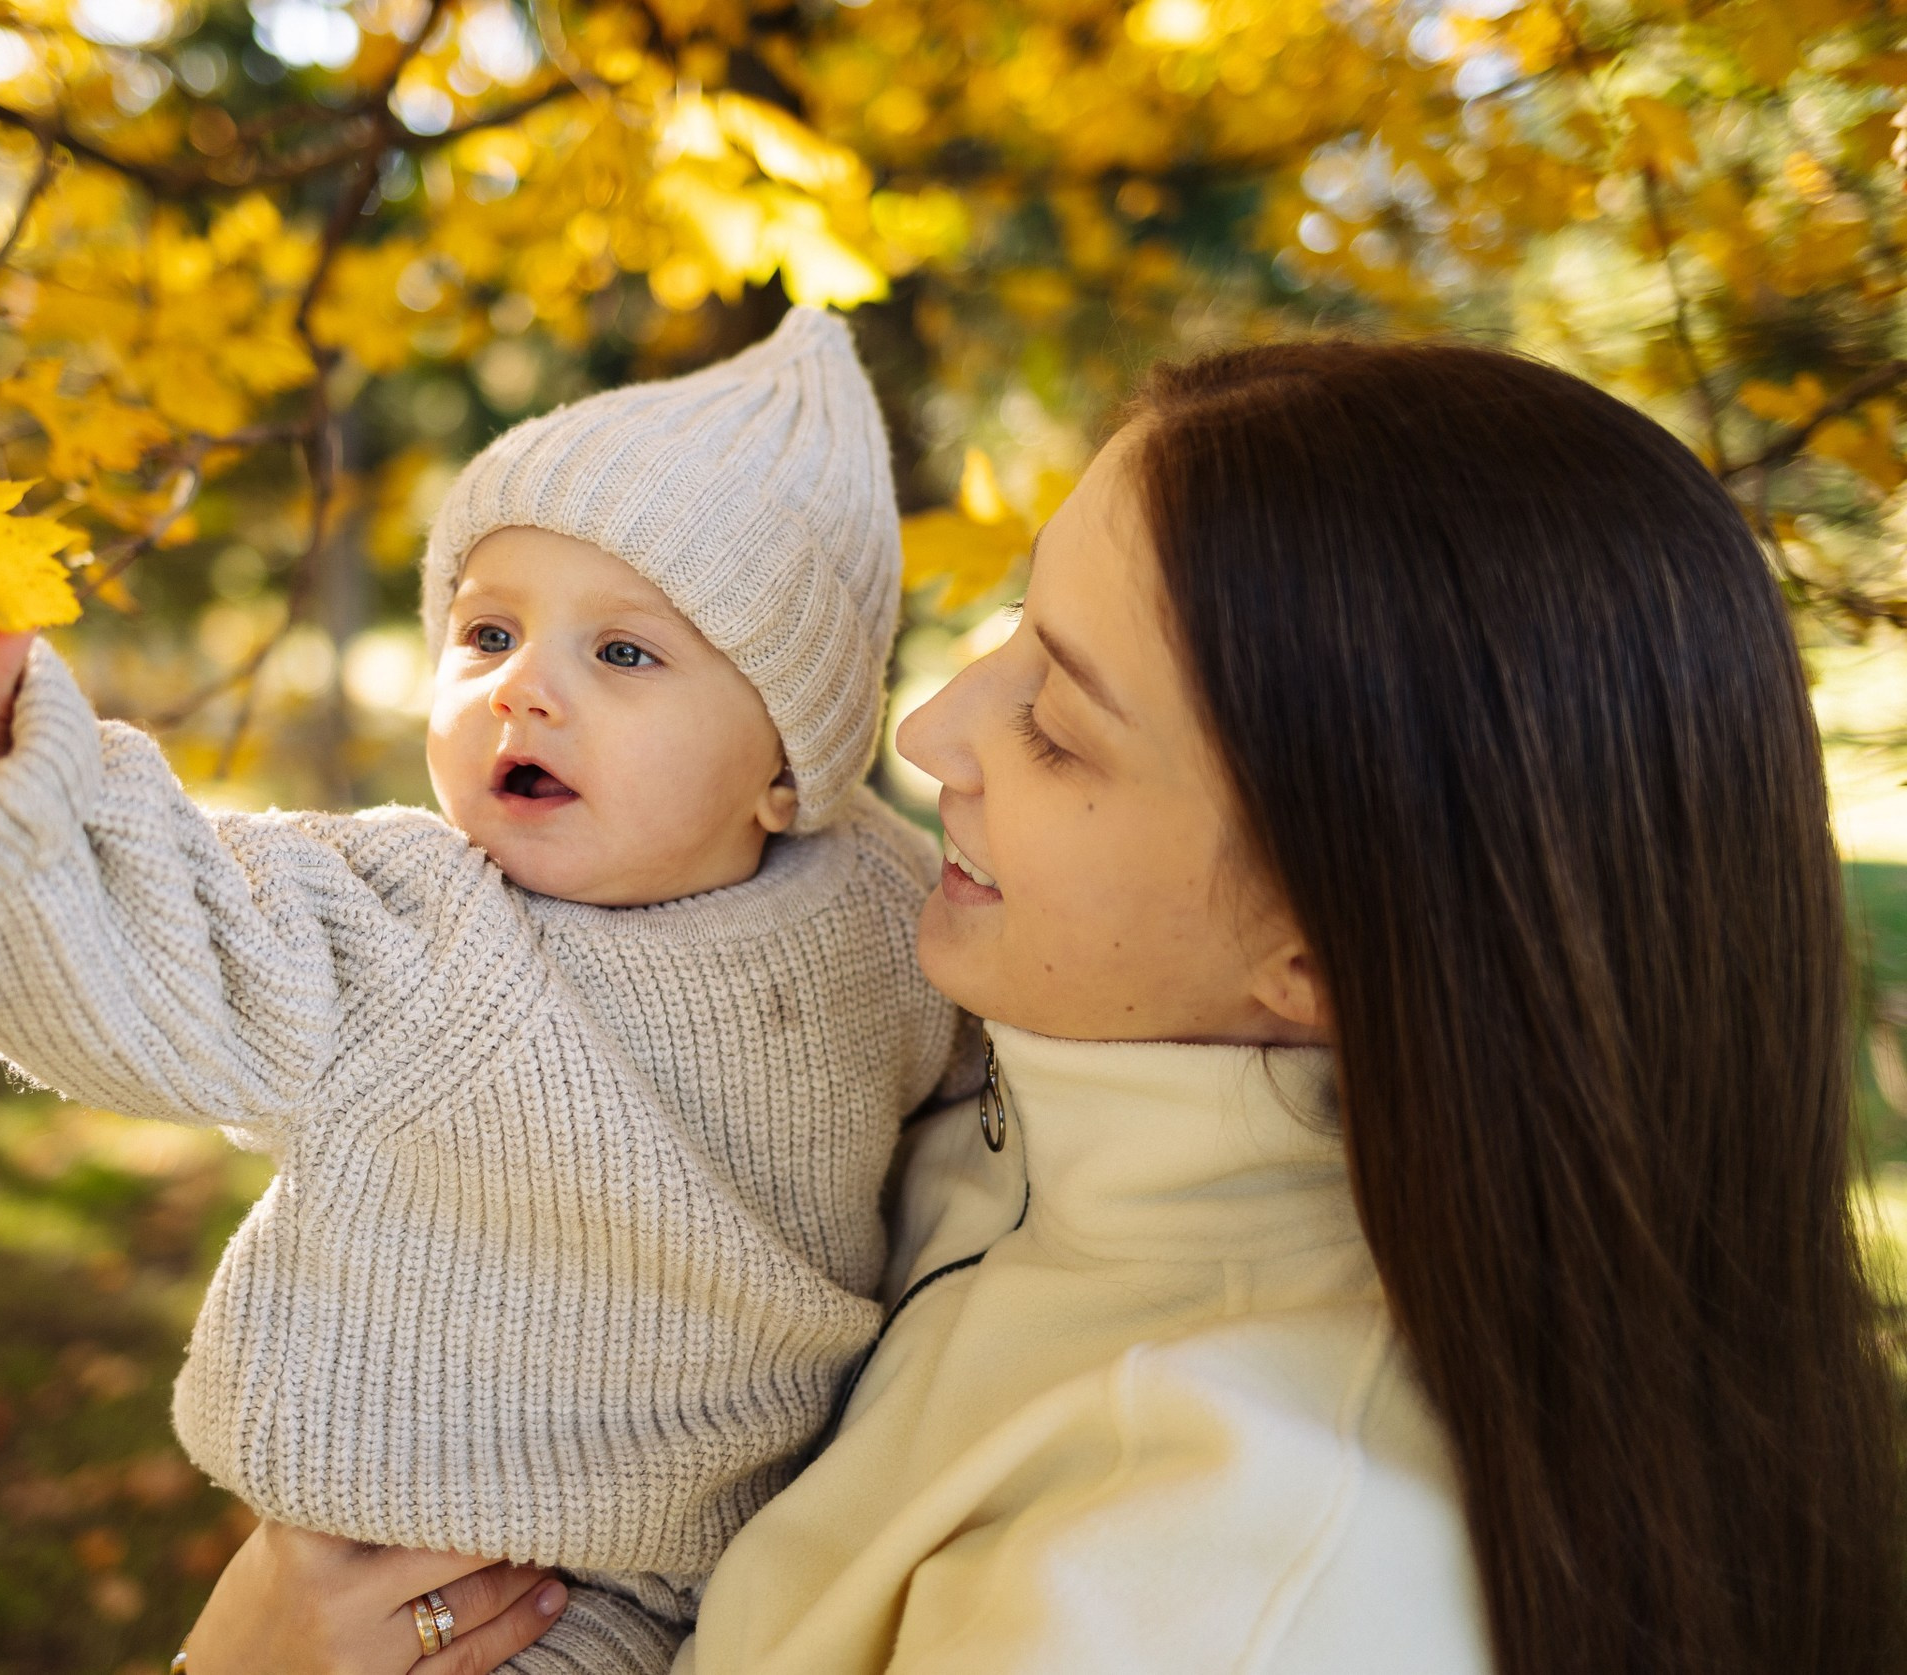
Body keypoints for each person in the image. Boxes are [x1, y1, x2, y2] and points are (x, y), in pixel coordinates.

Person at [184, 339, 1907, 1675]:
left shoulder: (1223, 1578)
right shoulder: (982, 1095)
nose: (929, 731)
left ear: (1317, 956)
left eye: (1061, 725)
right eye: (1015, 627)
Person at [0, 307, 964, 1675]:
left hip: (749, 1577)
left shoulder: (884, 913)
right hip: (457, 1591)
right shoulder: (416, 928)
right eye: (487, 633)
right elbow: (165, 942)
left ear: (788, 768)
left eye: (622, 653)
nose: (523, 690)